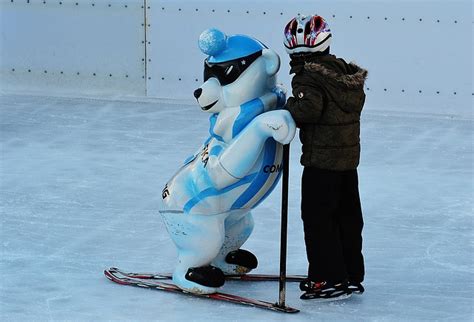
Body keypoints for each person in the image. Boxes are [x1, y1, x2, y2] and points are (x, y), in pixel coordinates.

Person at [283, 14, 368, 300]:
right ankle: (350, 274)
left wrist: (288, 104)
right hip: (347, 162)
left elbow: (309, 110)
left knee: (319, 219)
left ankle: (327, 277)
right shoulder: (344, 74)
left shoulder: (309, 77)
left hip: (321, 162)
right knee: (347, 217)